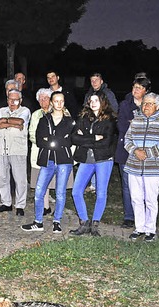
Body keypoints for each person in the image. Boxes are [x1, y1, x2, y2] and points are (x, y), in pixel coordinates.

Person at [21, 91, 75, 233]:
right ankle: (38, 222)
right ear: (51, 102)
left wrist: (50, 140)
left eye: (61, 101)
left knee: (60, 192)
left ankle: (57, 221)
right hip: (47, 160)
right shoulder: (44, 120)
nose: (59, 104)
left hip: (64, 161)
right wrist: (58, 141)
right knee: (39, 191)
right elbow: (39, 140)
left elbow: (70, 141)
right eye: (56, 101)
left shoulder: (69, 121)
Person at [124, 93, 159, 242]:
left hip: (153, 167)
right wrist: (135, 151)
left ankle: (150, 230)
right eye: (144, 103)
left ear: (157, 106)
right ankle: (139, 228)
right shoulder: (136, 120)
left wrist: (147, 154)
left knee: (150, 199)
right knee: (136, 198)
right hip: (134, 165)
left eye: (150, 104)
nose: (146, 106)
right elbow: (127, 140)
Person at [69, 92, 117, 236]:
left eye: (96, 100)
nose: (93, 103)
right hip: (86, 159)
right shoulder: (84, 118)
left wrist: (86, 139)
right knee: (76, 191)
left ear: (103, 102)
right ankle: (84, 222)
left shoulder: (110, 120)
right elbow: (74, 138)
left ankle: (95, 224)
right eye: (91, 100)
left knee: (101, 193)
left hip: (104, 159)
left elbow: (106, 142)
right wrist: (94, 138)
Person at [115, 76, 151, 229]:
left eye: (139, 88)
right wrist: (137, 124)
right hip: (126, 150)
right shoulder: (124, 104)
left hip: (144, 150)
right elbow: (122, 126)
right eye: (134, 86)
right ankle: (129, 216)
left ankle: (142, 216)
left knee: (143, 185)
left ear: (146, 91)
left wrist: (133, 123)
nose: (135, 90)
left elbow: (150, 128)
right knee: (127, 184)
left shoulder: (150, 105)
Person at [0, 89, 31, 215]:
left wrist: (4, 121)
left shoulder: (24, 111)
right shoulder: (1, 111)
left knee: (20, 179)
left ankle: (20, 205)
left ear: (20, 100)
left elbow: (20, 122)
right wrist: (10, 122)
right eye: (10, 99)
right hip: (1, 148)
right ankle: (6, 203)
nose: (12, 102)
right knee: (2, 177)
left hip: (17, 149)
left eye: (15, 100)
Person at [29, 88, 55, 216]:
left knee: (51, 181)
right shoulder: (35, 114)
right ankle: (45, 207)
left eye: (45, 98)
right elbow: (32, 133)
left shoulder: (58, 111)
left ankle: (51, 209)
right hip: (39, 150)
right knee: (41, 180)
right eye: (40, 98)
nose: (43, 101)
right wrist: (42, 141)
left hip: (55, 152)